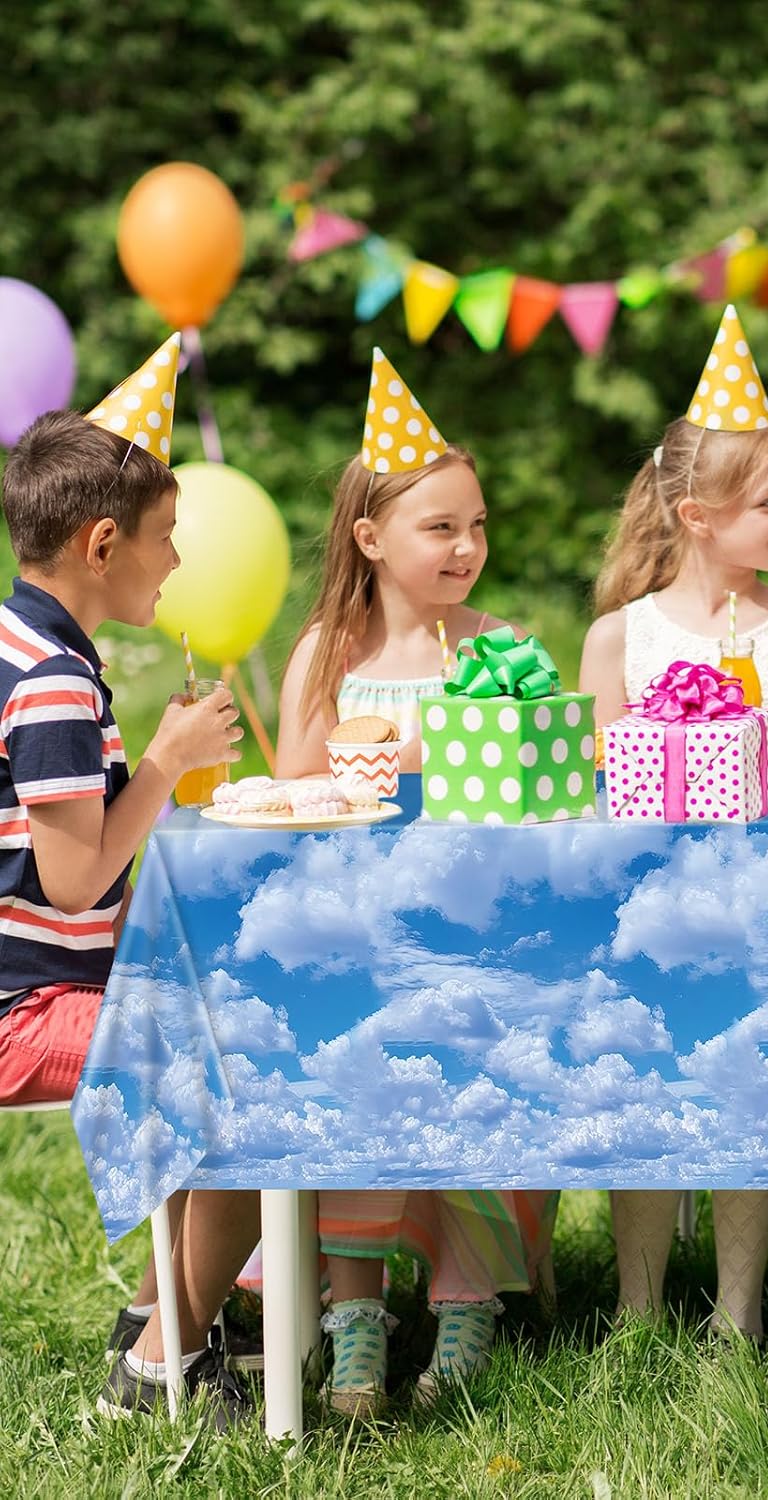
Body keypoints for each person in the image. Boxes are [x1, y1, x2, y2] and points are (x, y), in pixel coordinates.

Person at [579, 305, 768, 1343]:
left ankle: (738, 1310)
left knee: (752, 1082)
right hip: (654, 918)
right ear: (698, 517)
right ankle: (638, 1307)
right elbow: (606, 794)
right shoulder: (621, 638)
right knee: (646, 1086)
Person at [277, 349, 558, 1414]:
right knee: (350, 1080)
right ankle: (354, 1316)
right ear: (369, 538)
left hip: (477, 934)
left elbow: (542, 784)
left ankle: (468, 1298)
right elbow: (295, 793)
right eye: (441, 527)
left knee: (476, 1075)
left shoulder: (502, 649)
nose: (469, 547)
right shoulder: (326, 655)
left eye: (477, 525)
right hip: (351, 934)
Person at [0, 336, 258, 1428]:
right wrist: (164, 761)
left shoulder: (25, 641)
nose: (178, 566)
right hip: (26, 1010)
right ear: (102, 544)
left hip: (39, 988)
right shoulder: (53, 680)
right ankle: (159, 1368)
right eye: (165, 543)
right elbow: (71, 882)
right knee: (256, 1083)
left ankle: (164, 1316)